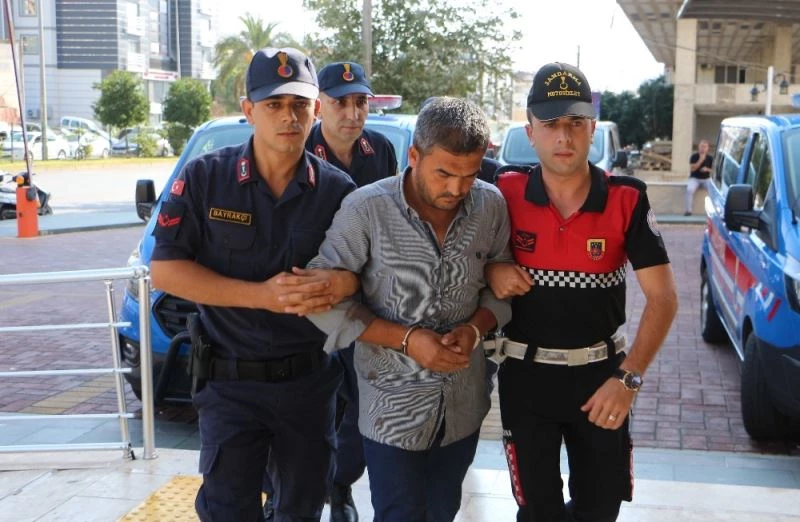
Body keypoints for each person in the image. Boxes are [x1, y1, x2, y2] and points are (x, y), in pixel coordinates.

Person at [149, 47, 358, 521]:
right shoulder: (206, 178)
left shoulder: (338, 191)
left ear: (316, 110)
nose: (289, 117)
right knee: (228, 510)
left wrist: (342, 283)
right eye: (273, 104)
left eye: (299, 104)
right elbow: (166, 270)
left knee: (302, 509)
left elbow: (365, 275)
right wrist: (261, 296)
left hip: (309, 384)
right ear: (248, 110)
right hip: (230, 384)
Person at [306, 97, 513, 522]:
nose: (456, 189)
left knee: (442, 511)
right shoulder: (366, 209)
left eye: (470, 175)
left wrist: (475, 329)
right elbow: (322, 302)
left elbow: (500, 290)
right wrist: (407, 340)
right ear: (414, 156)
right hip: (390, 408)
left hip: (463, 405)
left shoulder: (490, 205)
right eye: (444, 173)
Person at [489, 62, 678, 522]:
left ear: (593, 128)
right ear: (530, 132)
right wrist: (492, 267)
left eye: (576, 123)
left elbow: (664, 299)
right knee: (539, 513)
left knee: (599, 509)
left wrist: (628, 380)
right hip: (525, 379)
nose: (564, 136)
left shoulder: (626, 198)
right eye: (550, 124)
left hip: (602, 379)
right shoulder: (502, 190)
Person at [261, 60, 398, 522]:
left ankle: (338, 485)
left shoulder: (380, 150)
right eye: (342, 103)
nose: (353, 113)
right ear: (321, 106)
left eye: (361, 103)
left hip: (361, 303)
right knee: (291, 411)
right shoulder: (298, 148)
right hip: (305, 305)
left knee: (362, 408)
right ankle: (280, 493)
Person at [684, 139, 714, 216]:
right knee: (689, 190)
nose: (703, 148)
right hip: (695, 179)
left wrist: (707, 169)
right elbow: (692, 169)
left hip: (706, 179)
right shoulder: (694, 156)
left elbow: (714, 170)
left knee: (713, 191)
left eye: (705, 147)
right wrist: (700, 160)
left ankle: (713, 211)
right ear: (699, 147)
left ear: (708, 148)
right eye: (702, 146)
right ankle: (688, 211)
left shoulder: (710, 158)